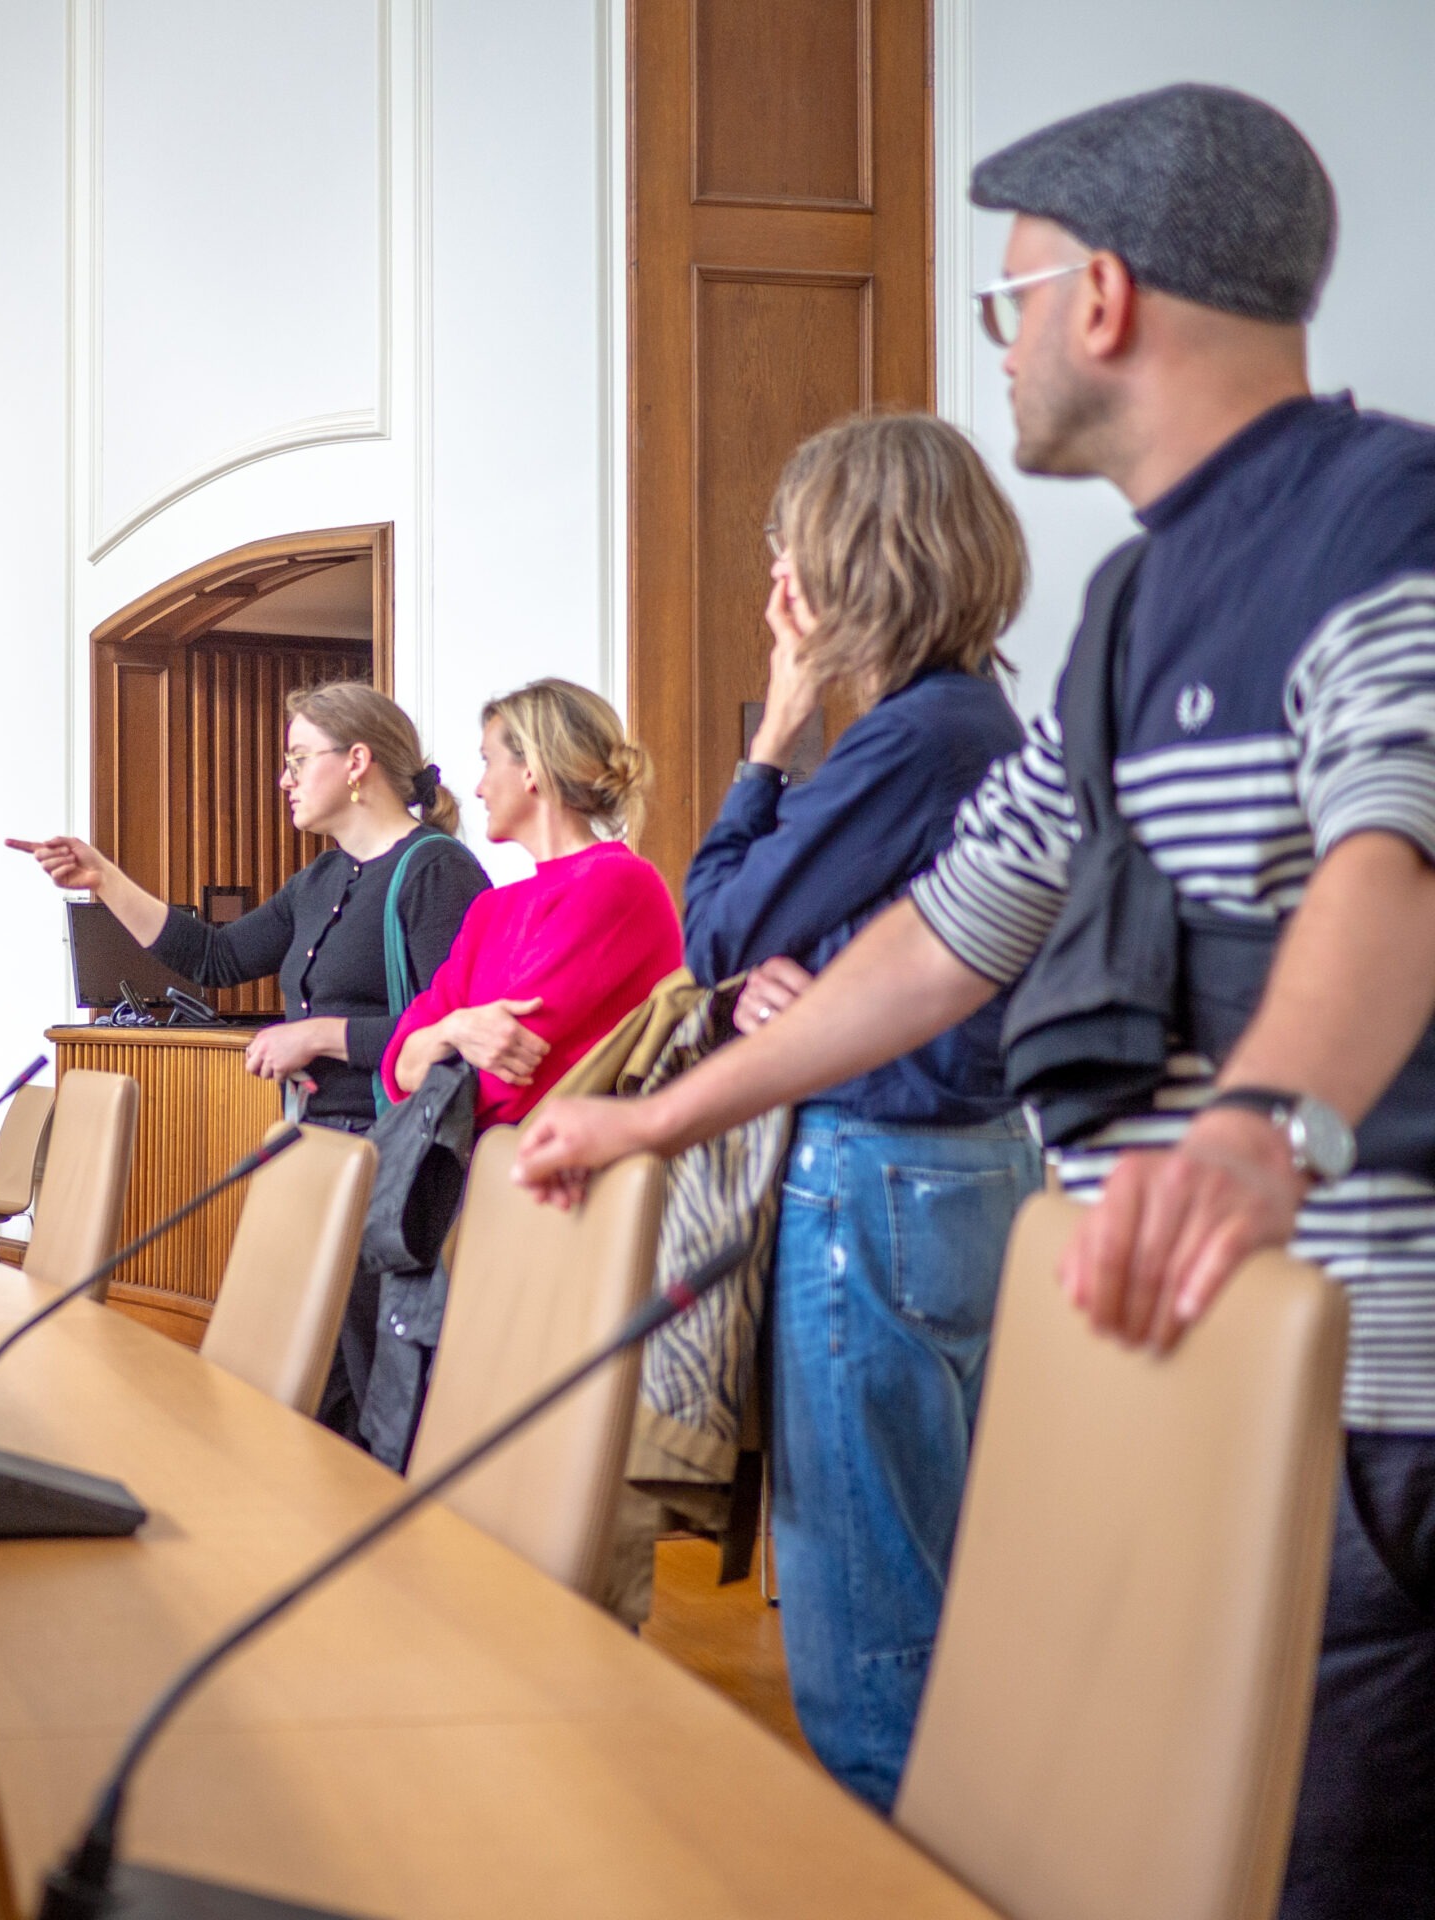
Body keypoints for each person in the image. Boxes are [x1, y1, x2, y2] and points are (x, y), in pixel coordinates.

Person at [515, 86, 1434, 1916]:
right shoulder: (1133, 610)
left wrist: (1266, 1127)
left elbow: (1392, 858)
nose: (998, 350)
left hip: (1369, 1398)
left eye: (1006, 300)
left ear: (1102, 299)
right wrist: (658, 1113)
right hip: (1182, 1370)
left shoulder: (1382, 519)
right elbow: (945, 936)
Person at [677, 413, 1040, 1809]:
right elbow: (758, 959)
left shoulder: (915, 735)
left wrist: (772, 729)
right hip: (962, 1174)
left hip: (883, 1180)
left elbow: (717, 922)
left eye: (789, 552)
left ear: (845, 564)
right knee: (934, 1597)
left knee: (871, 1657)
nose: (777, 581)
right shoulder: (965, 720)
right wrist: (790, 978)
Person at [11, 682, 488, 1135]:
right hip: (319, 1136)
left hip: (401, 1147)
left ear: (356, 761)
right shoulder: (321, 878)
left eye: (299, 760)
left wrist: (317, 1036)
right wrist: (105, 879)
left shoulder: (436, 871)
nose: (285, 780)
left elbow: (457, 1029)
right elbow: (214, 957)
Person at [383, 678, 678, 1128]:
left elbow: (510, 1082)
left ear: (531, 770)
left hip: (567, 1182)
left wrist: (437, 1045)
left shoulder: (617, 883)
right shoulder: (490, 910)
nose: (478, 788)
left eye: (487, 762)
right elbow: (398, 1068)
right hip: (490, 1174)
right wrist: (456, 1030)